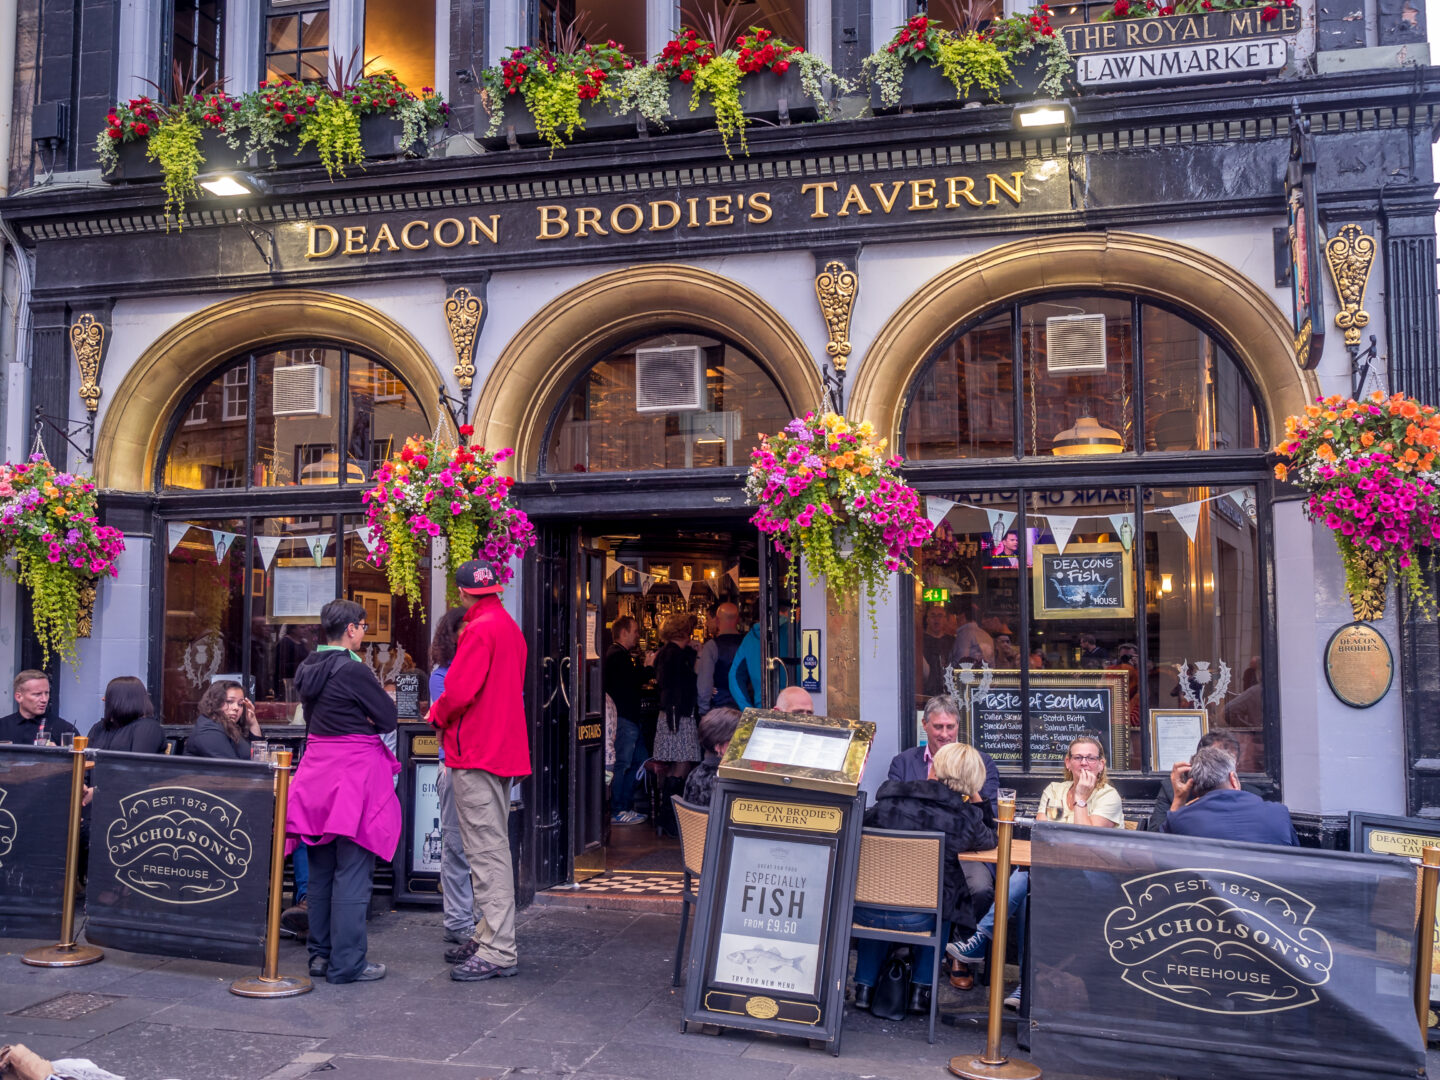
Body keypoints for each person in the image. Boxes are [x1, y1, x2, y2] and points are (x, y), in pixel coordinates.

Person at [949, 733, 1123, 1009]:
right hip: (1052, 875)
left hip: (1096, 882)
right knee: (1029, 893)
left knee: (1027, 878)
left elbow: (1083, 845)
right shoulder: (1053, 790)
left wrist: (1080, 799)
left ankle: (982, 939)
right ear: (1068, 763)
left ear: (1101, 765)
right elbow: (1041, 833)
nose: (1084, 764)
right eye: (1078, 758)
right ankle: (1026, 985)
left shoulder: (1107, 796)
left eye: (1091, 758)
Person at [286, 599, 400, 985]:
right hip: (351, 775)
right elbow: (387, 717)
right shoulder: (352, 669)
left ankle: (320, 956)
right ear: (351, 629)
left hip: (316, 771)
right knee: (352, 869)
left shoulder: (307, 667)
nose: (364, 633)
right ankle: (348, 963)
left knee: (320, 868)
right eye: (364, 627)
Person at [431, 559, 530, 983]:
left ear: (462, 592)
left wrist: (436, 712)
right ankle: (490, 932)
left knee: (485, 851)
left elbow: (459, 691)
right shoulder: (508, 626)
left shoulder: (477, 628)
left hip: (475, 749)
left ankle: (498, 947)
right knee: (491, 845)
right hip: (500, 746)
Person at [852, 742, 997, 1015]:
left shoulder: (888, 801)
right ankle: (922, 991)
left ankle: (863, 989)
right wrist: (977, 798)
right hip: (921, 919)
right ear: (972, 779)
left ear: (934, 768)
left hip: (863, 911)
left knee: (884, 895)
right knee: (941, 906)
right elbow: (991, 839)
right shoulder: (963, 818)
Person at [429, 606, 475, 948]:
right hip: (456, 764)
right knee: (456, 846)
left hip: (483, 764)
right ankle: (458, 920)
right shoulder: (441, 674)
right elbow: (448, 717)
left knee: (482, 848)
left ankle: (473, 917)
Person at [1160, 746, 1299, 845]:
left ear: (1194, 788)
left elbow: (1159, 860)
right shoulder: (1278, 813)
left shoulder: (1180, 821)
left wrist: (1178, 800)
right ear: (1233, 778)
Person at [888, 696, 999, 813]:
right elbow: (891, 811)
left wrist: (968, 787)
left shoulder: (983, 762)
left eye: (950, 727)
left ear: (958, 725)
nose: (945, 734)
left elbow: (992, 815)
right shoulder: (902, 762)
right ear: (924, 724)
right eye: (938, 727)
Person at [1147, 730, 1265, 831]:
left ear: (1236, 766)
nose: (1221, 767)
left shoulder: (1251, 795)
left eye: (1228, 762)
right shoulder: (1173, 789)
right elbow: (1156, 840)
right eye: (1215, 760)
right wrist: (1179, 801)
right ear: (1199, 761)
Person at [604, 615, 655, 825]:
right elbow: (633, 681)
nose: (638, 635)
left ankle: (625, 806)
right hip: (624, 719)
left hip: (629, 719)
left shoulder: (619, 654)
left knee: (640, 760)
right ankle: (618, 809)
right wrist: (649, 667)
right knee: (622, 764)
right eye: (635, 631)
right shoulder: (617, 655)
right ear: (624, 632)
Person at [183, 681, 262, 759]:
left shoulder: (229, 726)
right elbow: (232, 768)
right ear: (215, 702)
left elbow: (257, 756)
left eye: (240, 704)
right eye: (229, 701)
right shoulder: (209, 730)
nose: (236, 708)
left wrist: (253, 723)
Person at [682, 707, 741, 808]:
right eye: (737, 738)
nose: (743, 743)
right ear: (719, 747)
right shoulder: (723, 780)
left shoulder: (695, 774)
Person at [87, 677, 165, 753]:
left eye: (109, 696)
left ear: (121, 701)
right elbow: (85, 757)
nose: (104, 699)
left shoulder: (148, 728)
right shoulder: (100, 727)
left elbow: (138, 763)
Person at [0, 670, 76, 745]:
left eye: (46, 693)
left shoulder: (64, 730)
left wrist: (56, 754)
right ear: (19, 697)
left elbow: (80, 756)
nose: (44, 699)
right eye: (37, 694)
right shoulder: (2, 727)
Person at [696, 602, 744, 710]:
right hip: (745, 706)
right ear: (738, 619)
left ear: (717, 620)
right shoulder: (748, 643)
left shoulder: (711, 646)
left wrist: (703, 709)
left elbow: (705, 683)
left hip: (720, 707)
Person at [919, 605, 955, 697]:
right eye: (933, 615)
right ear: (927, 619)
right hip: (926, 692)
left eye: (940, 616)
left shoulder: (952, 641)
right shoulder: (920, 640)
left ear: (945, 620)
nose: (936, 619)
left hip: (948, 691)